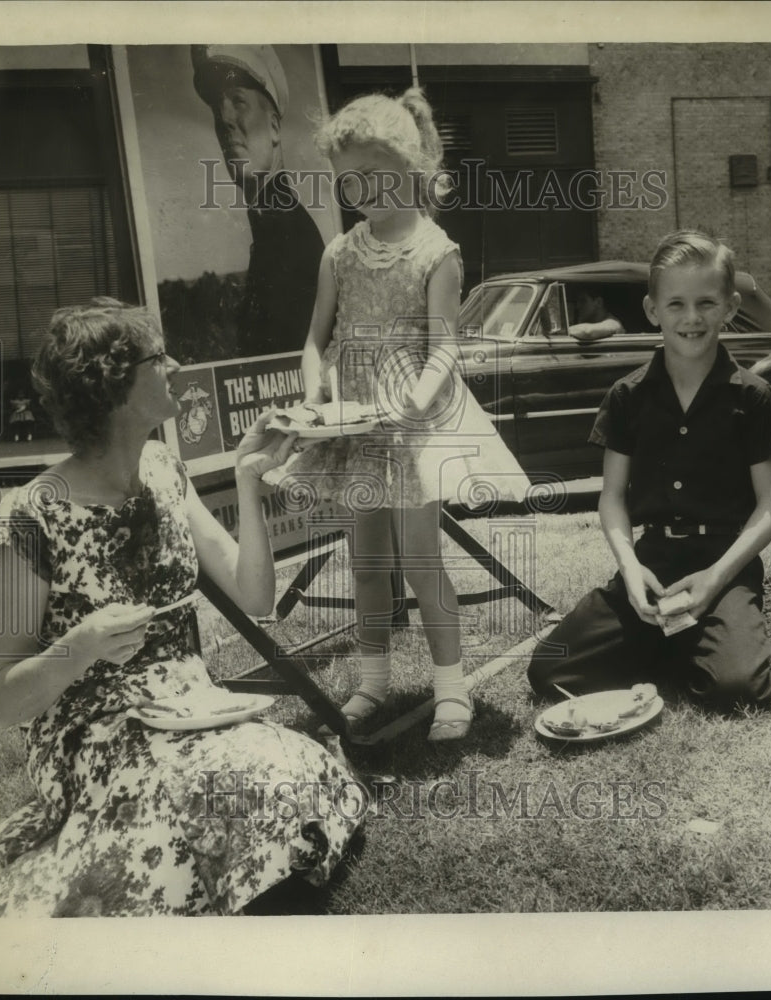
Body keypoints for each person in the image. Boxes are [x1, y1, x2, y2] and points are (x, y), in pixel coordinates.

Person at [0, 298, 365, 917]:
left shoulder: (165, 468)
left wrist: (248, 481)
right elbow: (1, 699)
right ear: (113, 383)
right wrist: (79, 645)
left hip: (191, 711)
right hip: (91, 733)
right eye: (158, 356)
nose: (175, 363)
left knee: (283, 763)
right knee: (208, 792)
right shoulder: (27, 517)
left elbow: (256, 597)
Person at [274, 89, 530, 742]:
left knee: (419, 560)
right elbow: (315, 339)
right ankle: (373, 681)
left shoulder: (434, 251)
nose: (360, 191)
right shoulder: (339, 252)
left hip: (412, 423)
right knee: (364, 562)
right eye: (346, 181)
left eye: (372, 175)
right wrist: (312, 395)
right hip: (356, 423)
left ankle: (451, 690)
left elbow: (445, 343)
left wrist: (419, 394)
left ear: (409, 164)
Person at [528, 231, 771, 711]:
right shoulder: (628, 396)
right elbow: (611, 497)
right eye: (676, 304)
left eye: (707, 303)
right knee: (552, 670)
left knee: (738, 693)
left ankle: (690, 641)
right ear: (653, 310)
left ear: (731, 306)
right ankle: (673, 639)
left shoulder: (752, 397)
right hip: (651, 562)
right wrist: (631, 573)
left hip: (725, 564)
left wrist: (714, 578)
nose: (692, 318)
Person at [191, 44, 324, 358]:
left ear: (275, 128)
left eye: (238, 101)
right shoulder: (273, 228)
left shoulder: (289, 237)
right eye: (217, 108)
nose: (225, 119)